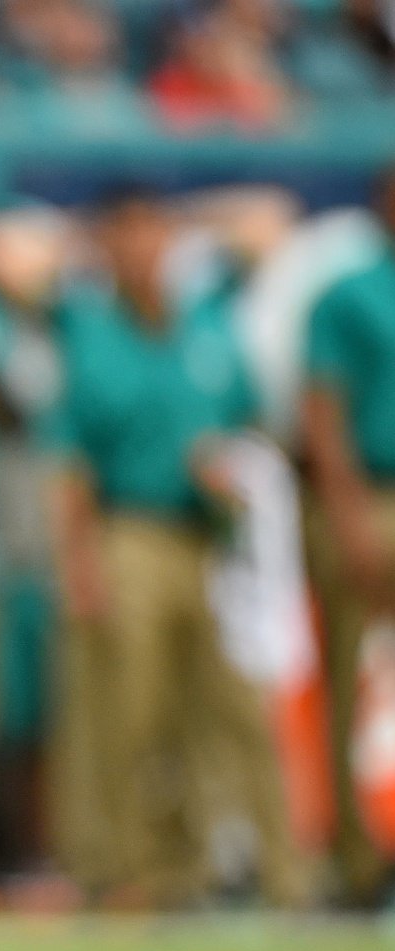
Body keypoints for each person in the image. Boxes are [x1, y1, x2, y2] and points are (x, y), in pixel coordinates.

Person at [48, 187, 303, 909]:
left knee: (231, 711)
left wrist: (233, 477)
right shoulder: (89, 333)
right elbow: (70, 467)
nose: (140, 250)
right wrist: (80, 565)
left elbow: (264, 225)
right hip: (129, 533)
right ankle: (137, 869)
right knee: (133, 714)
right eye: (123, 237)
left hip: (211, 542)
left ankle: (277, 871)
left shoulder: (208, 322)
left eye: (152, 234)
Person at [299, 166, 395, 907]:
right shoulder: (346, 294)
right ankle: (357, 862)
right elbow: (323, 414)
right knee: (353, 682)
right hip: (372, 495)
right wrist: (349, 518)